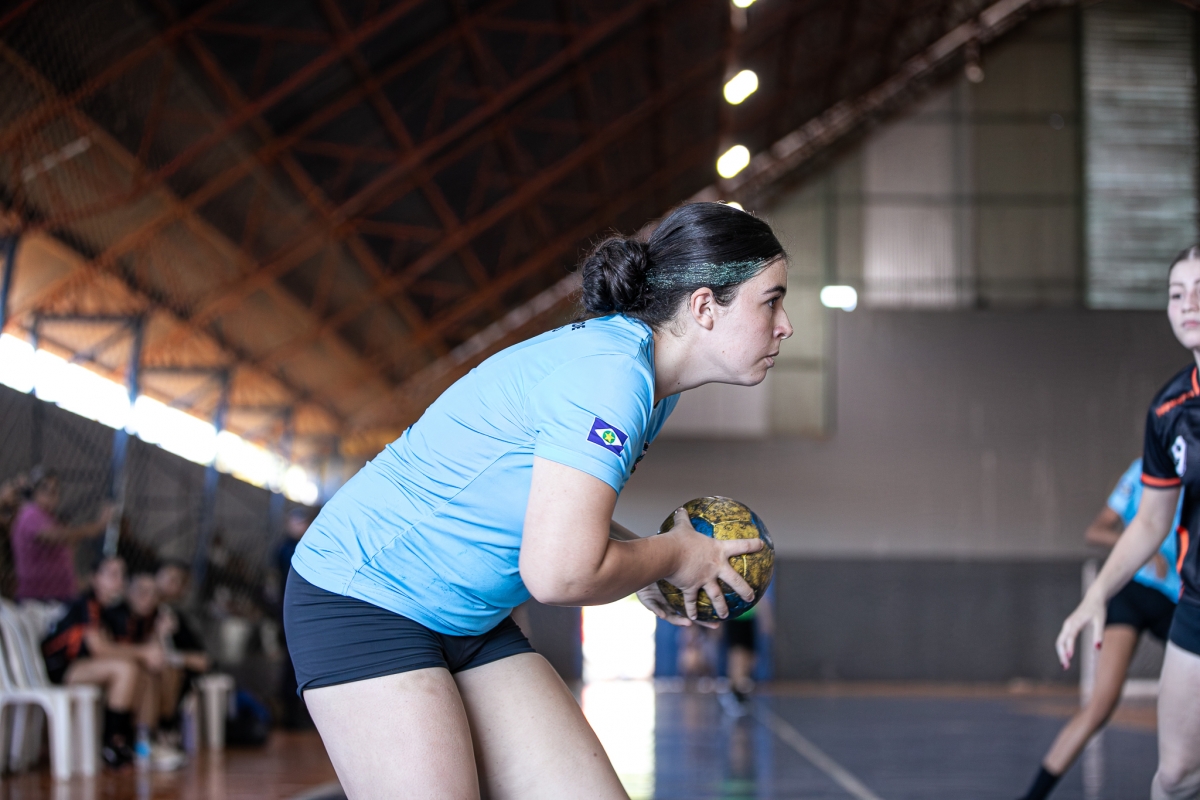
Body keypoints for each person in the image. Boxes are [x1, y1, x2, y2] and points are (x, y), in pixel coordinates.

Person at [285, 202, 792, 798]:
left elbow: (557, 513)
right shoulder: (612, 377)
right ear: (705, 307)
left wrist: (649, 565)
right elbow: (558, 574)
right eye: (772, 301)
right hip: (365, 599)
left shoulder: (648, 383)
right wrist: (676, 556)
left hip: (471, 619)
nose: (784, 325)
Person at [1058, 246, 1200, 800]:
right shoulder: (1169, 410)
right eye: (1177, 293)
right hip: (1196, 605)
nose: (1189, 304)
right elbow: (1149, 521)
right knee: (1175, 776)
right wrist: (1097, 596)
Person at [1019, 458, 1180, 799]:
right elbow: (1097, 529)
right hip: (1133, 590)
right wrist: (1144, 548)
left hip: (1176, 601)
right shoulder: (1143, 470)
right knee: (1100, 705)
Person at [41, 555, 164, 768]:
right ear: (95, 578)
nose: (119, 580)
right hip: (59, 668)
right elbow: (99, 649)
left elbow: (117, 649)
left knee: (139, 669)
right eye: (112, 574)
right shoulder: (87, 604)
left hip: (87, 667)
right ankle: (112, 742)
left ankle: (138, 740)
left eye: (122, 574)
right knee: (124, 670)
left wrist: (149, 650)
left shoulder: (110, 609)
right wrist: (143, 652)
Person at [11, 467, 112, 601]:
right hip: (38, 600)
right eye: (44, 488)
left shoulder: (49, 519)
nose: (50, 494)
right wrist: (96, 527)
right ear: (34, 491)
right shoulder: (31, 513)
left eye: (54, 490)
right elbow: (56, 537)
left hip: (58, 597)